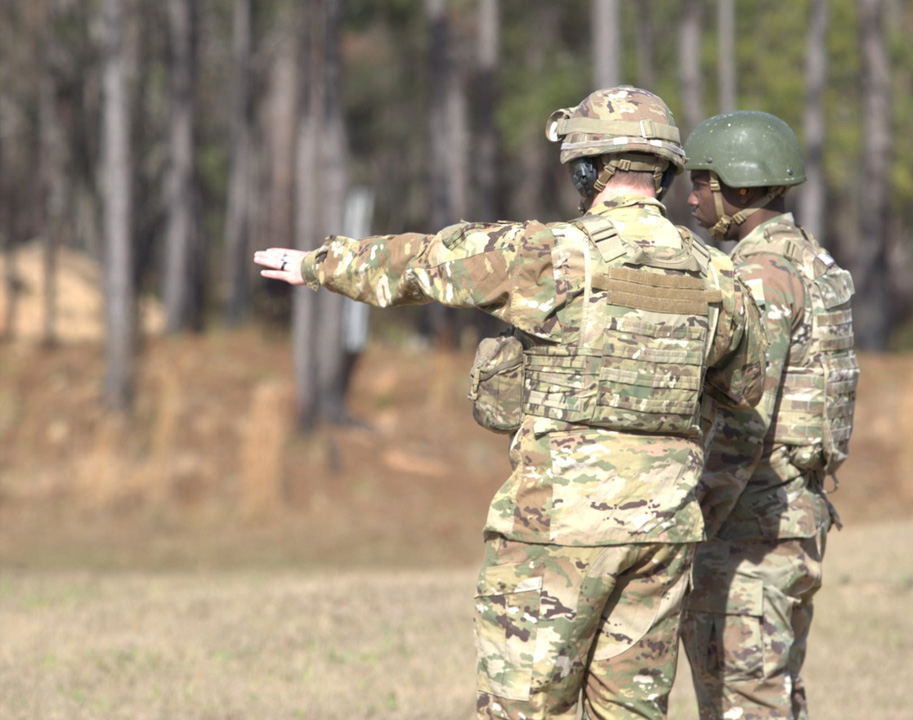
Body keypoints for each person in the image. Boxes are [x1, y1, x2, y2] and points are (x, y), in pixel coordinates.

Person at [254, 86, 765, 720]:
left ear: (588, 170)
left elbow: (423, 262)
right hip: (664, 528)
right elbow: (744, 390)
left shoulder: (551, 253)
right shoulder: (717, 274)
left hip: (558, 524)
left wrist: (319, 264)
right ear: (663, 172)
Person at [677, 111, 859, 720]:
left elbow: (743, 417)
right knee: (774, 695)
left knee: (744, 700)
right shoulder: (810, 259)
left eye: (703, 183)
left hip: (749, 533)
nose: (691, 197)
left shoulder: (761, 275)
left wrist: (693, 521)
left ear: (744, 187)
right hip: (789, 519)